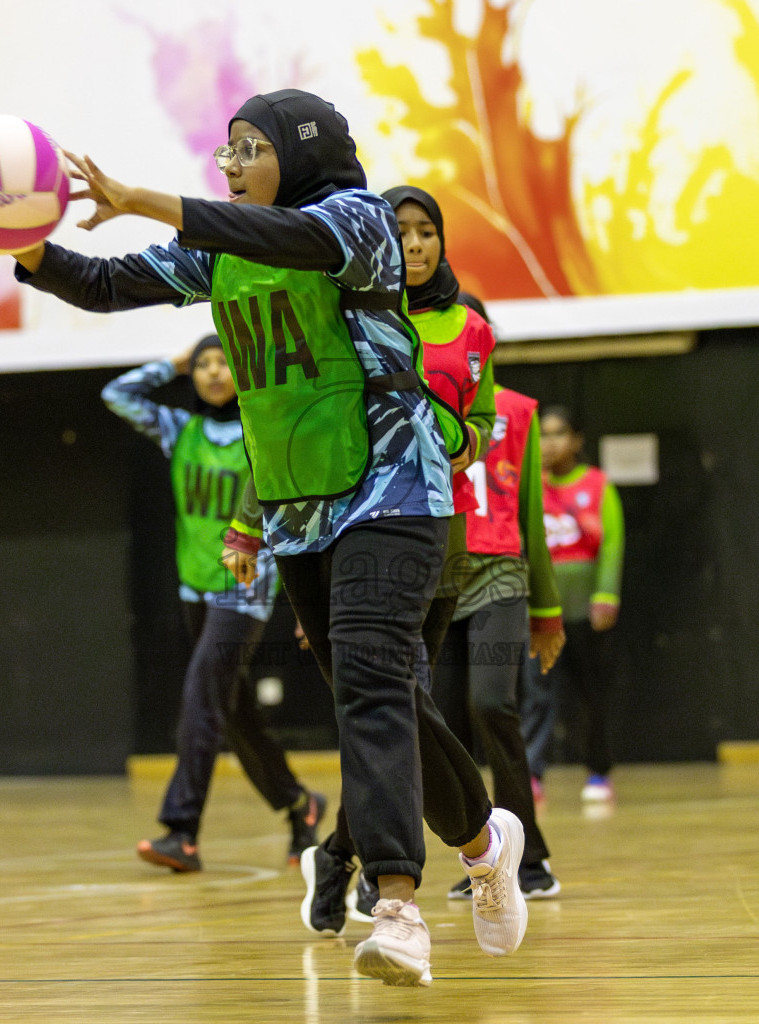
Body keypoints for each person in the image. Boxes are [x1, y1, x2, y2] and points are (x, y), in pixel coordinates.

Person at [8, 89, 525, 987]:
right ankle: (485, 842)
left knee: (370, 682)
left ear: (301, 151)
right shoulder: (221, 250)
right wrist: (23, 245)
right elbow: (104, 284)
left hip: (394, 488)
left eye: (250, 148)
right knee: (384, 692)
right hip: (295, 510)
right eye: (227, 150)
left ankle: (395, 906)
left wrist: (143, 198)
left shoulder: (358, 220)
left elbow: (289, 237)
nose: (232, 164)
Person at [304, 184, 499, 922]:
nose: (414, 244)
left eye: (426, 231)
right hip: (357, 536)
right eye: (400, 231)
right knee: (397, 705)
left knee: (403, 713)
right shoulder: (347, 310)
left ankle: (341, 857)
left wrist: (459, 440)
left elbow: (484, 420)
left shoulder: (471, 326)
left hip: (436, 536)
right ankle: (376, 867)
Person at [102, 334, 324, 871]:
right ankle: (301, 804)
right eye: (203, 364)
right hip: (195, 586)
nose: (214, 371)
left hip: (245, 585)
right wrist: (172, 363)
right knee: (233, 708)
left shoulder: (262, 429)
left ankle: (182, 830)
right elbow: (116, 394)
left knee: (202, 695)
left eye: (224, 361)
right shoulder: (180, 429)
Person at [435, 381, 566, 902]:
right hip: (435, 578)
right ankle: (485, 858)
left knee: (492, 704)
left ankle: (529, 857)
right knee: (442, 725)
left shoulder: (516, 410)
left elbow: (531, 509)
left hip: (499, 574)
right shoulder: (411, 394)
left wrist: (547, 610)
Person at [521, 406, 624, 801]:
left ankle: (598, 771)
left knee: (591, 694)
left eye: (559, 433)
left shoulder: (597, 484)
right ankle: (532, 773)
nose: (550, 443)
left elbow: (612, 544)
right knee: (536, 695)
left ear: (577, 440)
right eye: (543, 435)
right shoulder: (531, 486)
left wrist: (606, 594)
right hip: (542, 613)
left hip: (586, 612)